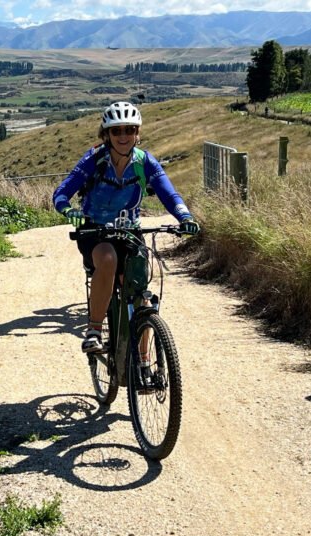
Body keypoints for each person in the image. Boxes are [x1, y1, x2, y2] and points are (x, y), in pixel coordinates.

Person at [53, 101, 200, 353]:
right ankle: (94, 330)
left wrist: (185, 217)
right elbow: (61, 193)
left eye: (129, 130)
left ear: (137, 133)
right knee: (108, 260)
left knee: (140, 293)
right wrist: (69, 210)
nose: (123, 136)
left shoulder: (145, 162)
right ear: (106, 134)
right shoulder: (95, 159)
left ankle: (142, 364)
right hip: (94, 232)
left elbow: (170, 195)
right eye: (116, 130)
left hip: (129, 231)